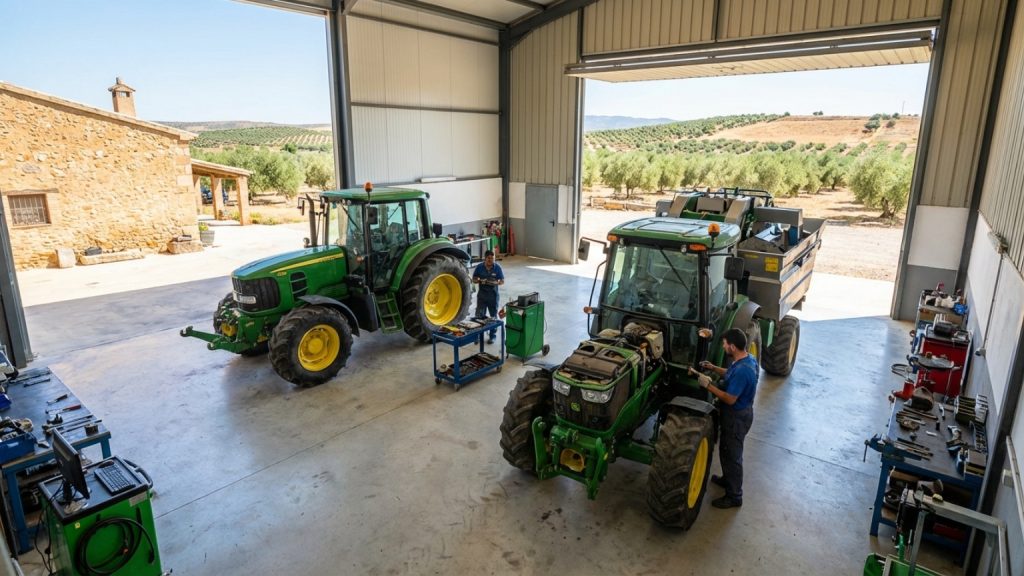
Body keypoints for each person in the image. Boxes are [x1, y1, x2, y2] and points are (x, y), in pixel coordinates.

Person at [690, 327, 759, 509]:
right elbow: (730, 373)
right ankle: (727, 480)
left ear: (733, 347)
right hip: (738, 414)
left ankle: (735, 496)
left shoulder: (744, 371)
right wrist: (712, 368)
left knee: (733, 456)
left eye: (724, 344)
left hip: (737, 417)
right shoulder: (746, 359)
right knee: (726, 451)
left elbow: (730, 398)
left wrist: (708, 385)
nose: (723, 346)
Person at [472, 250, 505, 343]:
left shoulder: (497, 268)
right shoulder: (479, 267)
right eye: (489, 258)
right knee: (479, 316)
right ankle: (477, 336)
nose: (491, 260)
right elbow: (474, 279)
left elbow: (502, 281)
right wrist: (479, 280)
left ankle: (492, 336)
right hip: (482, 296)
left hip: (493, 296)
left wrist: (496, 282)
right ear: (485, 258)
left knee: (493, 317)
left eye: (493, 258)